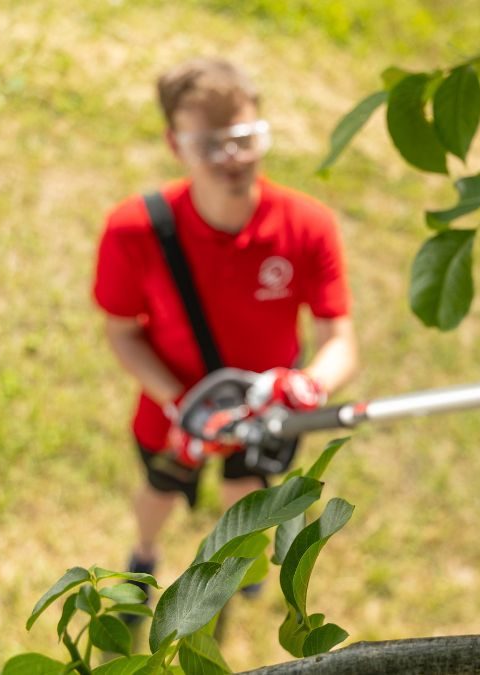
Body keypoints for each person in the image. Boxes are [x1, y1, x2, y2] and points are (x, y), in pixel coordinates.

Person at [92, 57, 358, 599]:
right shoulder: (132, 230)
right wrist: (180, 404)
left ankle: (241, 566)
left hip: (266, 408)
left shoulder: (308, 225)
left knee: (249, 492)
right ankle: (143, 557)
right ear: (175, 144)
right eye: (210, 143)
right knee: (161, 488)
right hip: (172, 410)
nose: (231, 157)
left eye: (243, 138)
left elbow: (339, 338)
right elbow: (121, 331)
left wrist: (308, 386)